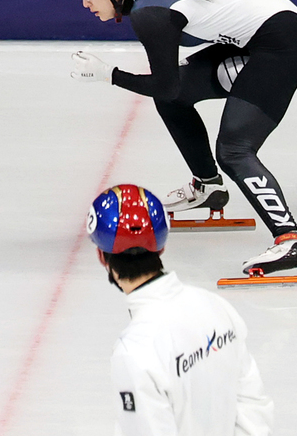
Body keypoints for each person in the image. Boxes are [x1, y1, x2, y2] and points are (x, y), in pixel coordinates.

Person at [68, 0, 297, 274]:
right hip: (268, 37)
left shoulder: (149, 13)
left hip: (285, 49)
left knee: (234, 150)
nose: (84, 2)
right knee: (172, 100)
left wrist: (108, 74)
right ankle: (208, 186)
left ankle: (291, 241)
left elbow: (165, 85)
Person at [88, 184, 273, 435]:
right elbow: (254, 406)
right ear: (161, 247)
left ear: (102, 256)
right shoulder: (216, 306)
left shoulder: (134, 351)